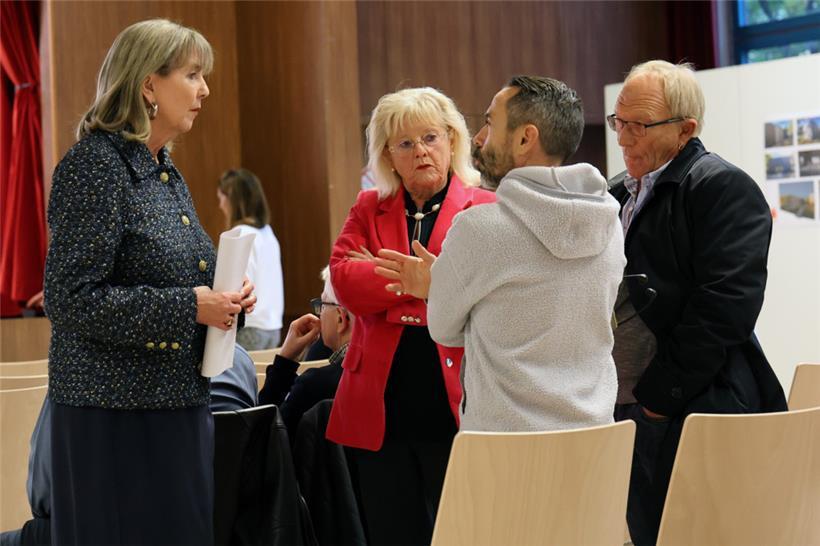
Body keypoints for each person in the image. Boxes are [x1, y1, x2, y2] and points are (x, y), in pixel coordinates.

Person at [43, 19, 256, 545]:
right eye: (192, 74)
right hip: (113, 421)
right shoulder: (96, 166)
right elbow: (69, 299)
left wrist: (229, 297)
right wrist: (189, 308)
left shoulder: (164, 171)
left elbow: (180, 278)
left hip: (175, 408)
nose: (204, 90)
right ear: (148, 85)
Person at [374, 76, 624, 432]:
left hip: (505, 443)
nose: (478, 138)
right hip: (595, 436)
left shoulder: (478, 229)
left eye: (490, 124)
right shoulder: (610, 222)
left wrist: (436, 285)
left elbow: (443, 330)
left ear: (525, 139)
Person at [606, 60, 787, 546]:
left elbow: (724, 308)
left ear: (685, 129)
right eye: (619, 121)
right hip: (624, 407)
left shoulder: (721, 187)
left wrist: (657, 402)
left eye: (639, 125)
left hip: (689, 405)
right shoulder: (615, 192)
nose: (623, 137)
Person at [326, 87, 495, 545]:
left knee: (461, 533)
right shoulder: (368, 206)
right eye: (405, 143)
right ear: (389, 156)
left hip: (455, 401)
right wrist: (422, 284)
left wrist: (387, 278)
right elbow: (344, 280)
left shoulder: (484, 208)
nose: (421, 151)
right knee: (391, 533)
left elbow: (481, 293)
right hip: (381, 405)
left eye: (430, 137)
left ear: (452, 141)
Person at [0, 346, 258, 546]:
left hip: (97, 527)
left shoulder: (83, 369)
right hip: (217, 525)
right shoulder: (237, 359)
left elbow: (43, 493)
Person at [258, 266, 352, 436]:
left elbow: (265, 438)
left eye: (322, 305)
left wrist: (285, 361)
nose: (319, 314)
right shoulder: (396, 373)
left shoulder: (315, 385)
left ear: (341, 318)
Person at [218, 168, 285, 349]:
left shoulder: (239, 234)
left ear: (232, 199)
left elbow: (234, 286)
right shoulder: (268, 233)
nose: (220, 205)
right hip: (273, 328)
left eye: (221, 198)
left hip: (249, 327)